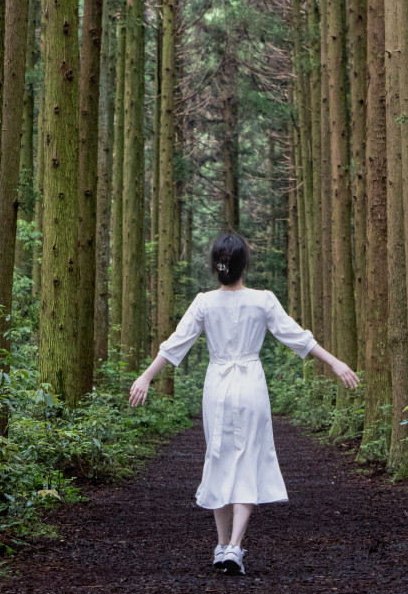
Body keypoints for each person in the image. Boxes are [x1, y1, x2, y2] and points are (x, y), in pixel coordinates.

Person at [129, 230, 359, 576]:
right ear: (244, 265)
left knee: (219, 455)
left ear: (215, 267)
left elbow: (175, 344)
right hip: (250, 384)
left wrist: (146, 376)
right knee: (248, 457)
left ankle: (224, 544)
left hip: (217, 386)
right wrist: (335, 362)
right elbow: (297, 337)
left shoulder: (204, 302)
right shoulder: (263, 300)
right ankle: (233, 545)